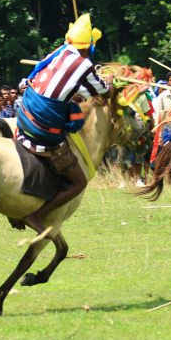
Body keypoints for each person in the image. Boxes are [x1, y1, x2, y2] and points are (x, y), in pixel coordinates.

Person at [16, 13, 108, 233]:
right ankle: (37, 215)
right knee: (79, 182)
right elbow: (101, 90)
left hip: (24, 110)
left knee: (73, 111)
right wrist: (111, 82)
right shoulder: (85, 64)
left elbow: (80, 89)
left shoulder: (60, 51)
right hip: (41, 122)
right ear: (89, 47)